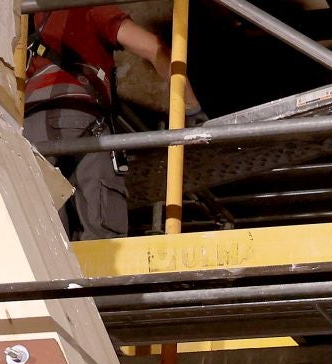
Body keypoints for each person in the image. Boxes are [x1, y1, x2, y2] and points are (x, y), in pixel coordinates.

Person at [22, 6, 201, 239]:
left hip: (31, 125)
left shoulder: (29, 21)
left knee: (49, 242)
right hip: (79, 116)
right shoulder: (88, 6)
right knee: (102, 236)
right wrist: (191, 108)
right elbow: (153, 48)